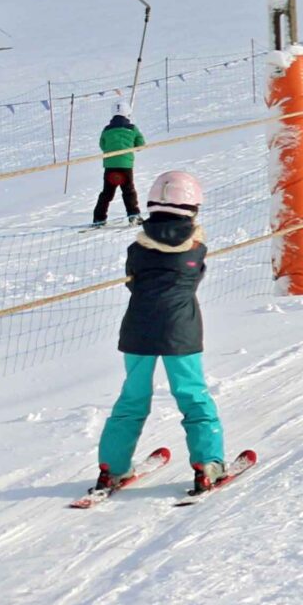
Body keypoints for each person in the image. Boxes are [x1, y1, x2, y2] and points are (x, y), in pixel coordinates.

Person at [95, 169, 227, 495]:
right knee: (192, 396)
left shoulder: (136, 249)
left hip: (138, 331)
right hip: (181, 333)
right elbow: (195, 278)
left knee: (132, 397)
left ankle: (113, 467)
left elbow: (133, 281)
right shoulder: (195, 249)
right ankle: (207, 464)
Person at [93, 111, 145, 227]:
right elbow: (140, 144)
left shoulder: (106, 129)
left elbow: (102, 145)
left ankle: (98, 219)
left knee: (107, 193)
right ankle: (134, 216)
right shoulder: (132, 128)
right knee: (128, 191)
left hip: (110, 166)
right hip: (125, 165)